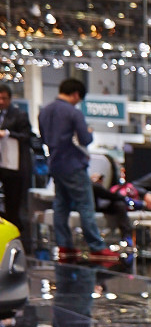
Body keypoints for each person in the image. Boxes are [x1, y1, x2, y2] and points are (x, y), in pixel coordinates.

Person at [38, 78, 113, 263]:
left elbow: (44, 138)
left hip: (55, 164)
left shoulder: (44, 111)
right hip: (73, 164)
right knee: (85, 206)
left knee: (61, 205)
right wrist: (90, 132)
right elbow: (85, 139)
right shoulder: (73, 112)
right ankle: (96, 247)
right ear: (76, 94)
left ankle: (65, 246)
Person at [0, 84, 35, 252]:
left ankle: (15, 237)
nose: (1, 101)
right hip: (1, 162)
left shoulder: (19, 115)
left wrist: (8, 134)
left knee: (13, 203)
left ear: (10, 98)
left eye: (4, 98)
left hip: (13, 166)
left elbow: (27, 137)